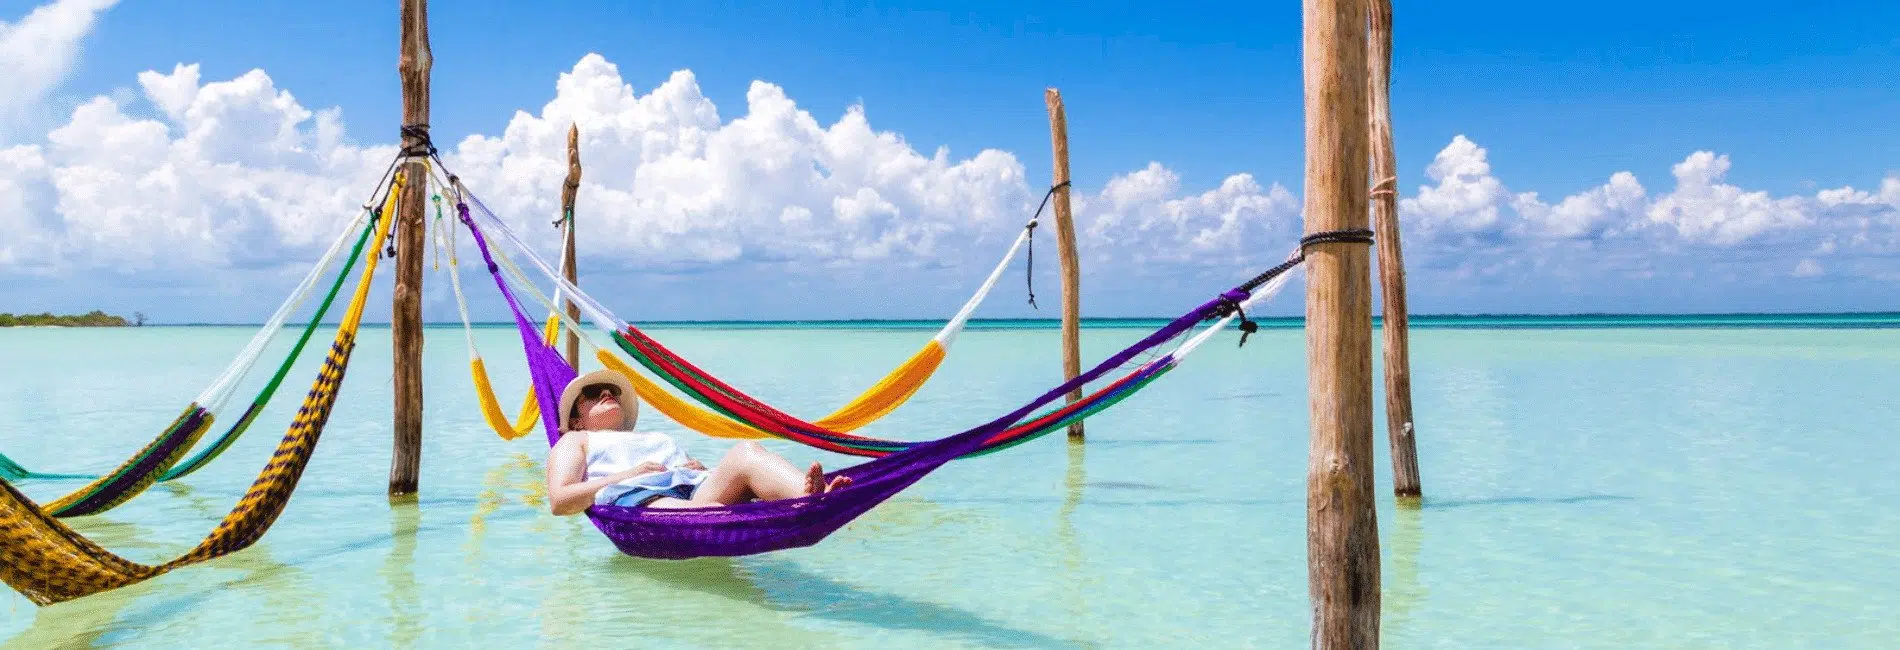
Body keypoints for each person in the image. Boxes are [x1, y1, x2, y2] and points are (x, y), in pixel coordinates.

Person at [544, 369, 851, 515]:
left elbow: (693, 480)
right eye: (593, 395)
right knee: (712, 515)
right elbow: (560, 501)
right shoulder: (576, 439)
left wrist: (695, 468)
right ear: (575, 420)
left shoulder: (651, 437)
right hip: (639, 500)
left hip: (694, 488)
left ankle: (808, 498)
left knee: (745, 450)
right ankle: (736, 522)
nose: (606, 394)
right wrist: (630, 475)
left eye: (610, 391)